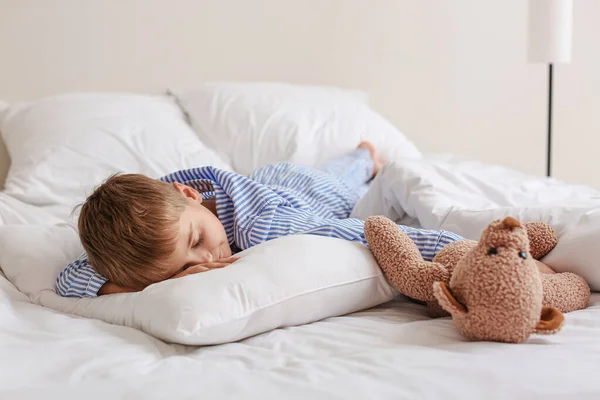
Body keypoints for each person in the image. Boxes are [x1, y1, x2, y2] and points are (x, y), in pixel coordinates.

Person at [56, 142, 554, 298]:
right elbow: (68, 278)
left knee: (360, 181)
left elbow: (367, 232)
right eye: (183, 268)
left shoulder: (266, 226)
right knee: (314, 175)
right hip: (276, 180)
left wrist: (478, 252)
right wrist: (126, 285)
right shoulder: (154, 224)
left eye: (198, 239)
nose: (210, 258)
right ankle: (359, 158)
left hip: (307, 194)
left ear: (190, 195)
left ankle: (365, 157)